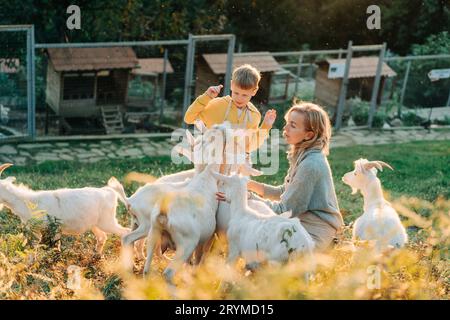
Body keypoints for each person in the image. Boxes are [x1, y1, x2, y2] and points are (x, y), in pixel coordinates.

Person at [218, 101, 344, 251]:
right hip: (299, 224)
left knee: (259, 244)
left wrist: (247, 196)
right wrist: (247, 184)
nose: (285, 128)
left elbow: (285, 210)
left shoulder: (311, 164)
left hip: (314, 234)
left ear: (309, 135)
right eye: (286, 122)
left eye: (293, 125)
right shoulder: (304, 154)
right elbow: (284, 191)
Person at [184, 64, 277, 152]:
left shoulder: (254, 115)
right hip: (211, 162)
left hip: (235, 165)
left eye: (244, 95)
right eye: (236, 93)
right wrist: (206, 96)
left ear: (254, 91)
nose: (239, 98)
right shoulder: (217, 105)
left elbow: (249, 147)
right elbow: (189, 118)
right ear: (232, 85)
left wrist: (266, 126)